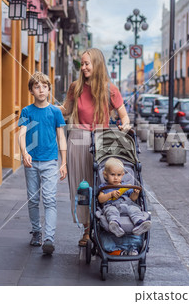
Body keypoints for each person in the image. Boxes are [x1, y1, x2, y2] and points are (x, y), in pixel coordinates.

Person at [58, 48, 131, 247]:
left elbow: (124, 115)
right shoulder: (76, 87)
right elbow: (65, 110)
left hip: (103, 141)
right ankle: (87, 230)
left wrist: (125, 125)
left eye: (87, 64)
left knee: (101, 183)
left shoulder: (110, 89)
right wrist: (46, 107)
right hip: (78, 139)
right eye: (81, 64)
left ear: (97, 64)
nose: (83, 67)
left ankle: (104, 225)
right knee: (82, 186)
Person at [18, 72, 67, 255]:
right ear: (31, 90)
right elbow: (22, 133)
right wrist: (24, 152)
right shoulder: (26, 111)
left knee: (49, 199)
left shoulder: (55, 111)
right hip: (31, 162)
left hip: (50, 161)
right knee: (32, 199)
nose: (41, 90)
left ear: (48, 89)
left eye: (44, 86)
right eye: (37, 86)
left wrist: (64, 162)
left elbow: (61, 137)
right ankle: (37, 232)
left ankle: (49, 238)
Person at [98, 158, 151, 242]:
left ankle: (139, 223)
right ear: (105, 175)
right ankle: (115, 224)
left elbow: (132, 199)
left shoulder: (125, 186)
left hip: (127, 205)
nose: (116, 178)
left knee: (135, 209)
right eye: (112, 174)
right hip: (111, 205)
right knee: (111, 211)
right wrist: (110, 194)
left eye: (118, 175)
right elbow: (100, 199)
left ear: (122, 175)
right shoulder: (104, 187)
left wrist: (135, 193)